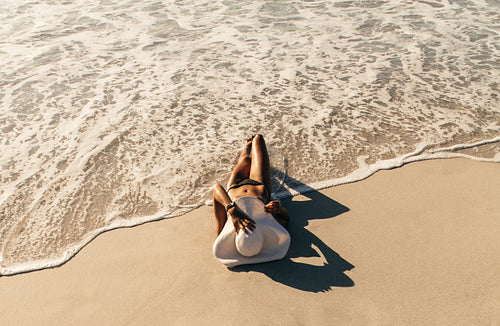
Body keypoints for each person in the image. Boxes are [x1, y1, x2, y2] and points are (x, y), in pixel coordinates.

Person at [213, 134, 289, 236]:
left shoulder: (224, 232)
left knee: (245, 160)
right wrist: (279, 210)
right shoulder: (264, 227)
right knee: (258, 138)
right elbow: (285, 219)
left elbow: (216, 189)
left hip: (235, 185)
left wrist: (232, 210)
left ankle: (247, 146)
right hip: (259, 184)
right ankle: (251, 143)